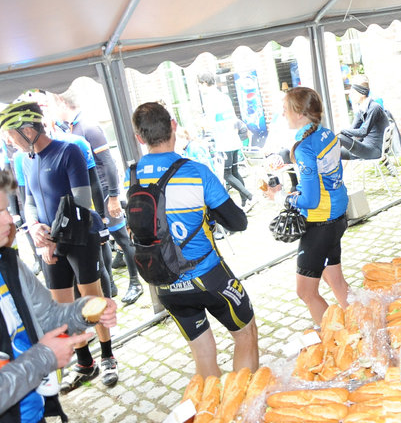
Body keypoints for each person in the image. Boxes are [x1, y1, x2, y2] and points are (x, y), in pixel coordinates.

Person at [126, 102, 259, 377]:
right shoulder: (196, 172)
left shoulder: (134, 175)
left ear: (140, 138)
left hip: (164, 283)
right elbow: (238, 222)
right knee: (246, 332)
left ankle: (214, 412)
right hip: (207, 276)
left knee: (202, 353)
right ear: (173, 126)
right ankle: (246, 409)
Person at [0, 101, 120, 393]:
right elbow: (28, 201)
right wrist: (34, 228)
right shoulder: (24, 159)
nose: (9, 141)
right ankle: (84, 362)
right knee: (62, 306)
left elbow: (80, 202)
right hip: (49, 243)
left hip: (80, 236)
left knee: (92, 300)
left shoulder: (69, 151)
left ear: (28, 129)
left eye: (12, 135)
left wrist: (50, 237)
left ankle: (107, 356)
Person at [0, 168, 117, 422]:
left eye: (6, 209)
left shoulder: (8, 264)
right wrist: (44, 357)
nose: (9, 221)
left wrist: (88, 309)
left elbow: (50, 316)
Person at [51, 90, 143, 305]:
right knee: (101, 243)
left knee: (120, 236)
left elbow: (108, 162)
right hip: (89, 197)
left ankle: (135, 282)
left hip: (102, 193)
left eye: (53, 105)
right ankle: (109, 285)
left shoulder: (89, 127)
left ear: (62, 102)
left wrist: (112, 196)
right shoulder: (70, 128)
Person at [277, 87, 350, 325]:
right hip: (337, 215)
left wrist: (287, 198)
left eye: (286, 109)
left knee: (306, 292)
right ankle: (361, 325)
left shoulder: (305, 147)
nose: (283, 113)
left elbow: (310, 200)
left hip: (320, 222)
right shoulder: (325, 133)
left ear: (299, 114)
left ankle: (338, 336)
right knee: (336, 281)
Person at [197, 72, 254, 207]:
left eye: (199, 85)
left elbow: (210, 124)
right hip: (233, 139)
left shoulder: (210, 100)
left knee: (226, 174)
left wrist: (199, 123)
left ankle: (249, 195)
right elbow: (233, 119)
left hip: (223, 142)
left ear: (204, 83)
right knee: (235, 172)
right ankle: (245, 202)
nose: (200, 88)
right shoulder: (224, 97)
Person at [337, 75, 391, 162]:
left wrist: (341, 131)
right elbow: (352, 130)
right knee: (334, 153)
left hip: (374, 150)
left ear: (361, 93)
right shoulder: (362, 109)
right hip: (366, 148)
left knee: (340, 137)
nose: (350, 95)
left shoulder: (374, 108)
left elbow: (363, 132)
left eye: (353, 92)